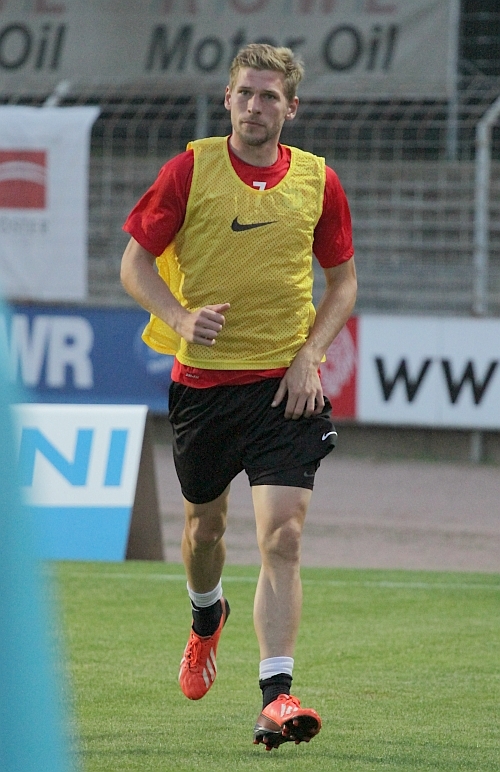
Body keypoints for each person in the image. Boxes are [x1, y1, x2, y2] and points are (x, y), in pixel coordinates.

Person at [120, 43, 357, 752]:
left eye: (270, 96)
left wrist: (309, 357)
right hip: (204, 388)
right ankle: (205, 616)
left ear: (292, 107)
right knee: (204, 531)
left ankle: (276, 697)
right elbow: (133, 263)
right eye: (246, 94)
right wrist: (178, 316)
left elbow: (343, 282)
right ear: (227, 99)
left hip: (285, 387)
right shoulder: (189, 170)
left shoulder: (318, 180)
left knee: (283, 535)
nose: (256, 107)